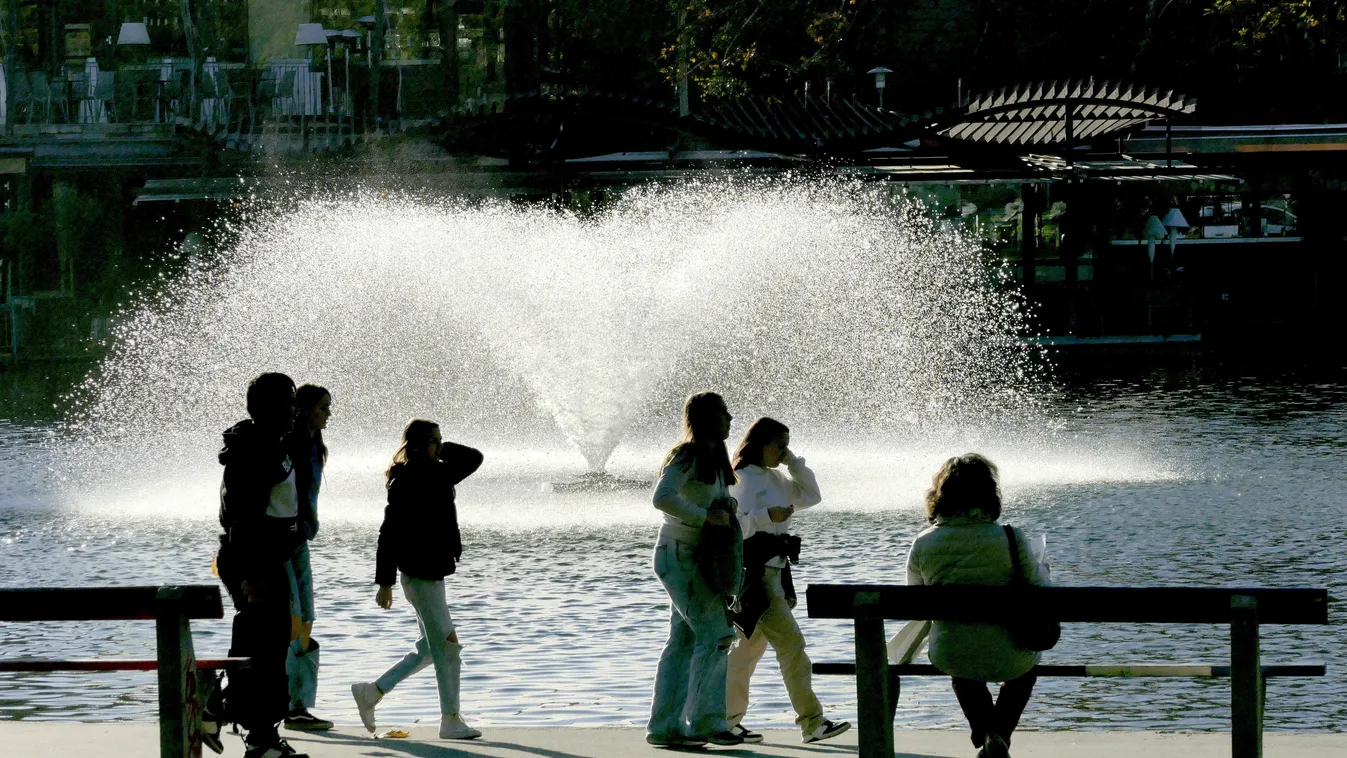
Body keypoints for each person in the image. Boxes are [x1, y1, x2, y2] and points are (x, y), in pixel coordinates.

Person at [905, 454, 1049, 758]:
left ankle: (987, 733)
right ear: (989, 494)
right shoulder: (1011, 537)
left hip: (951, 651)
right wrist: (1042, 567)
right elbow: (1042, 590)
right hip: (1012, 648)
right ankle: (998, 735)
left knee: (963, 670)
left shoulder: (923, 542)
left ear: (940, 495)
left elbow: (914, 600)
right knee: (1024, 672)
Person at [350, 419, 485, 740]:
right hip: (418, 574)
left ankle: (372, 692)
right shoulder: (405, 481)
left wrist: (439, 445)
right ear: (413, 445)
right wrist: (385, 582)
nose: (438, 447)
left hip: (432, 572)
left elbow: (474, 458)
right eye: (431, 441)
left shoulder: (440, 472)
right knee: (448, 648)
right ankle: (450, 720)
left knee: (430, 649)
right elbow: (389, 534)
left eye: (439, 441)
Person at [725, 417, 850, 744]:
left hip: (777, 572)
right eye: (780, 446)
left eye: (786, 446)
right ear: (763, 445)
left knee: (746, 652)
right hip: (756, 575)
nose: (784, 452)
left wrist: (794, 462)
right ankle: (812, 722)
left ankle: (724, 720)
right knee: (791, 646)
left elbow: (812, 495)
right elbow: (734, 528)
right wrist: (768, 517)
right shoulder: (744, 479)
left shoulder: (777, 477)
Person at [214, 372, 310, 758]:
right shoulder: (256, 451)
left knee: (266, 650)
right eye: (289, 403)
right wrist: (253, 576)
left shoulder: (267, 443)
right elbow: (242, 519)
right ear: (268, 408)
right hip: (256, 562)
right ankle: (258, 737)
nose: (295, 410)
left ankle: (235, 717)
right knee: (266, 654)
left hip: (263, 559)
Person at [647, 391, 744, 749]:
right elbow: (662, 497)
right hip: (680, 554)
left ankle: (664, 728)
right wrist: (706, 516)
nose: (731, 419)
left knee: (685, 640)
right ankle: (704, 724)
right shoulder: (685, 455)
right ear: (707, 417)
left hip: (695, 556)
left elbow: (700, 499)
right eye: (725, 413)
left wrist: (724, 506)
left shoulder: (714, 458)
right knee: (717, 635)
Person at [281, 384, 334, 731]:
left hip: (301, 540)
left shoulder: (317, 444)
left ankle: (299, 705)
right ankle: (288, 703)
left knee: (307, 618)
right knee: (293, 619)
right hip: (282, 540)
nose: (329, 413)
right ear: (305, 410)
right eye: (323, 407)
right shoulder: (291, 443)